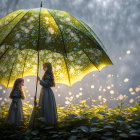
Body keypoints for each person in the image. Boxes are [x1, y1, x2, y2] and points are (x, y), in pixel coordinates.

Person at [28, 62, 58, 128]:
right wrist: (40, 80)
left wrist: (39, 80)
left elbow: (46, 84)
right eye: (43, 67)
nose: (43, 68)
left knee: (46, 105)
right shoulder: (47, 73)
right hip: (45, 91)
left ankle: (46, 122)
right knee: (44, 105)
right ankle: (45, 122)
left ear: (48, 67)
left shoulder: (48, 74)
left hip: (46, 92)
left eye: (44, 67)